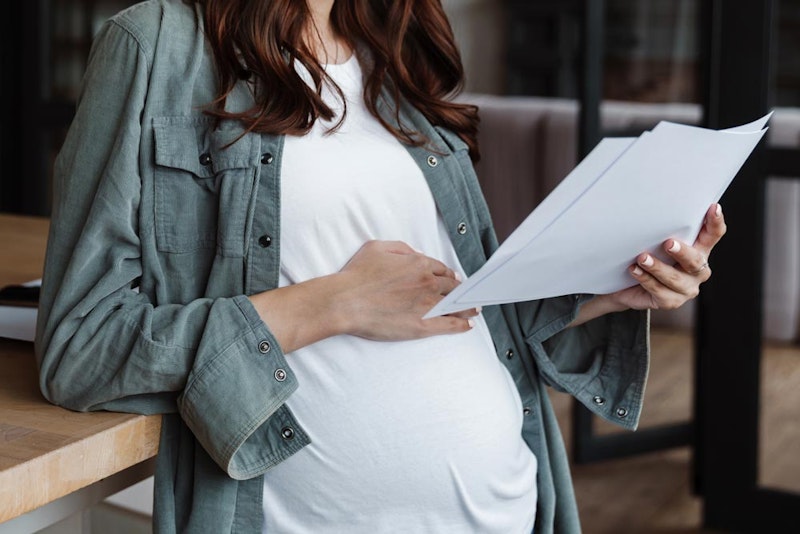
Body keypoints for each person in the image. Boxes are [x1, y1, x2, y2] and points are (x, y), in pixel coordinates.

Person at [34, 0, 724, 533]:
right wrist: (335, 303)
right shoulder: (157, 45)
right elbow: (81, 350)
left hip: (509, 507)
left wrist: (615, 286)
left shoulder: (395, 54)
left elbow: (465, 309)